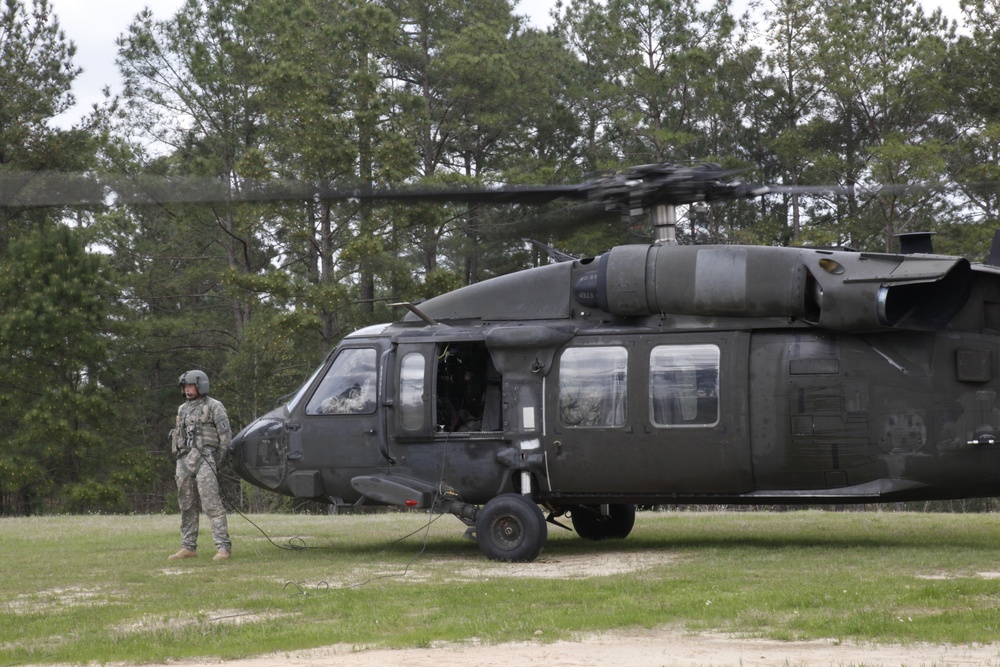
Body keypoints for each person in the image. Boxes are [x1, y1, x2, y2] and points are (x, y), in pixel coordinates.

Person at [167, 370, 233, 561]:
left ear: (200, 385)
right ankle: (188, 547)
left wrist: (216, 460)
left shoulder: (214, 406)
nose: (187, 390)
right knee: (186, 504)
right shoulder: (182, 409)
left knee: (211, 503)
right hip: (184, 460)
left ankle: (223, 548)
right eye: (185, 387)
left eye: (190, 386)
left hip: (205, 459)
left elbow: (225, 437)